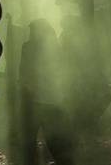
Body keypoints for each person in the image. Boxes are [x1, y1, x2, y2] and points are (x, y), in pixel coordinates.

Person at [19, 20, 74, 165]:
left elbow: (24, 74)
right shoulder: (55, 48)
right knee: (55, 143)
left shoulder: (29, 48)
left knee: (32, 143)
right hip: (50, 102)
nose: (30, 34)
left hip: (39, 102)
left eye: (33, 31)